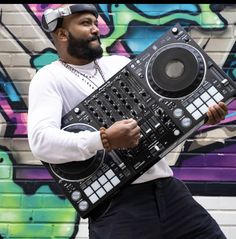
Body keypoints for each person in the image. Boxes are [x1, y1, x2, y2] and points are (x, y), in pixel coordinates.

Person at [28, 4, 228, 239]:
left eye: (95, 22)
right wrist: (103, 139)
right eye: (85, 23)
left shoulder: (119, 64)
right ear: (62, 34)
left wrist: (201, 117)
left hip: (167, 189)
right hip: (119, 205)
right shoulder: (49, 78)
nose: (95, 29)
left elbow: (164, 121)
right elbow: (41, 141)